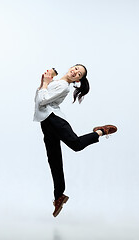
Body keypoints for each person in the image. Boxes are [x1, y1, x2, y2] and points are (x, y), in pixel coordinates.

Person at [33, 64, 117, 217]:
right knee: (54, 160)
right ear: (71, 67)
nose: (75, 72)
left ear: (77, 80)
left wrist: (45, 84)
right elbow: (38, 99)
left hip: (55, 120)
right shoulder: (56, 83)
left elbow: (42, 101)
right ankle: (59, 196)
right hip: (46, 123)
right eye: (76, 68)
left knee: (76, 145)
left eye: (79, 74)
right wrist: (43, 82)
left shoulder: (64, 86)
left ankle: (100, 131)